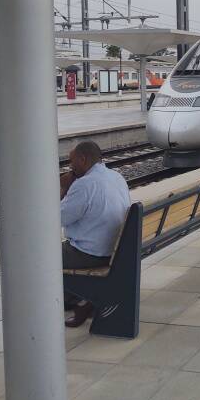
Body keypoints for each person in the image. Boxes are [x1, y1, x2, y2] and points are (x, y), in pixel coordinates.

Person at [60, 140, 131, 327]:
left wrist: (63, 190)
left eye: (71, 161)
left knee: (39, 255)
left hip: (91, 254)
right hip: (117, 249)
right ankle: (77, 298)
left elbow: (56, 219)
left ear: (82, 159)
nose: (70, 166)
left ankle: (78, 299)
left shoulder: (84, 184)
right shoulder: (116, 177)